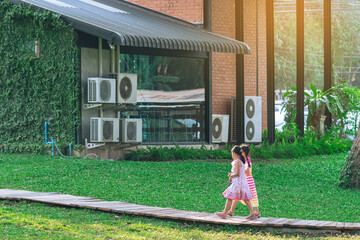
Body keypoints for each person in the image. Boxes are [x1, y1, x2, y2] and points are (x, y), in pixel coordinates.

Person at [215, 145, 257, 220]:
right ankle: (252, 212)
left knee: (229, 197)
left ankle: (224, 213)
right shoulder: (241, 161)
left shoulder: (238, 162)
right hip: (242, 182)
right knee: (245, 198)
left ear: (234, 153)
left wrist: (231, 175)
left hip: (238, 183)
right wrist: (232, 174)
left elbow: (237, 173)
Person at [227, 144, 261, 218]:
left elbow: (247, 172)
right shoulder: (246, 160)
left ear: (244, 152)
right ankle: (231, 211)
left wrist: (236, 173)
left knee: (246, 197)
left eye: (241, 151)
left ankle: (255, 212)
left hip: (247, 181)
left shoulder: (244, 160)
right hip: (248, 180)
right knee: (241, 196)